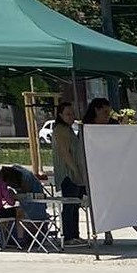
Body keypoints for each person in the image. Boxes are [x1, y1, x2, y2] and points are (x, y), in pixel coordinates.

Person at [83, 98, 137, 246]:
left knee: (127, 202)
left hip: (116, 170)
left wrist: (125, 126)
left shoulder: (112, 124)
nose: (107, 115)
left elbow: (123, 142)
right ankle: (108, 233)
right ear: (96, 110)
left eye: (108, 112)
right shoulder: (87, 127)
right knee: (104, 203)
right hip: (98, 172)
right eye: (105, 112)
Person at [51, 100, 88, 247]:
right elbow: (64, 152)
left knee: (75, 205)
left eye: (72, 114)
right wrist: (74, 170)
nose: (71, 117)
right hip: (68, 174)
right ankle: (68, 236)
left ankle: (74, 234)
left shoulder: (69, 129)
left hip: (75, 173)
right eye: (67, 114)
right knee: (69, 205)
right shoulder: (61, 129)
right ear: (60, 115)